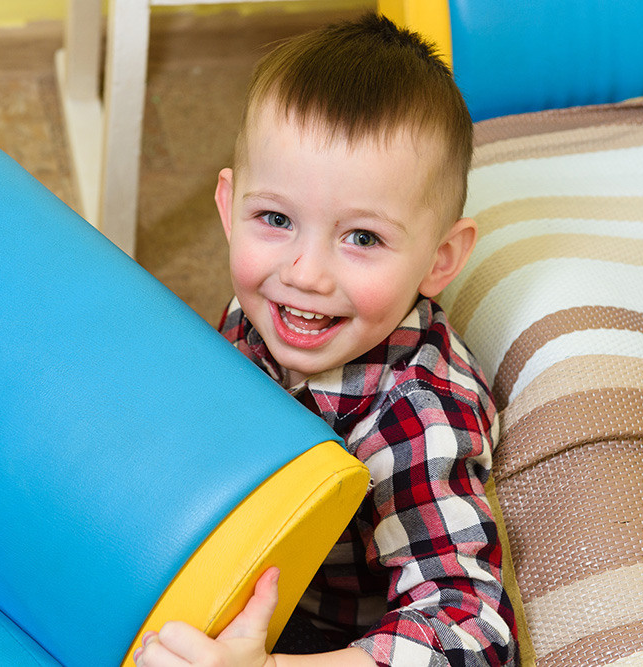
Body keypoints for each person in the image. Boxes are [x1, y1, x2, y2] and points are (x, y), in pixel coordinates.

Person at [135, 13, 516, 667]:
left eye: (361, 237)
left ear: (439, 259)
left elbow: (475, 633)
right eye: (276, 218)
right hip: (241, 553)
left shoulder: (417, 415)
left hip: (329, 632)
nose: (304, 273)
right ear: (230, 209)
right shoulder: (270, 303)